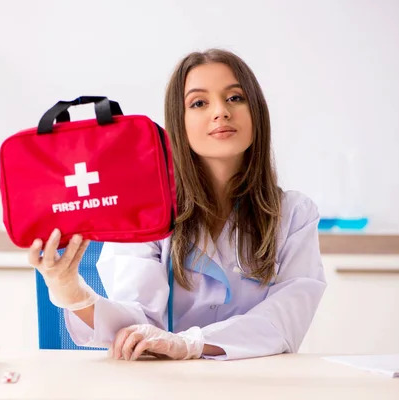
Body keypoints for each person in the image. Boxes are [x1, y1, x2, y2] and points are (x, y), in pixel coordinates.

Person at [28, 48, 327, 361]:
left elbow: (284, 321)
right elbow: (137, 325)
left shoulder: (294, 214)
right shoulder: (145, 209)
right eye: (199, 102)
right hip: (164, 384)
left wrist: (190, 344)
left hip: (257, 383)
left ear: (257, 112)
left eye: (235, 98)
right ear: (178, 123)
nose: (221, 112)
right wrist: (70, 292)